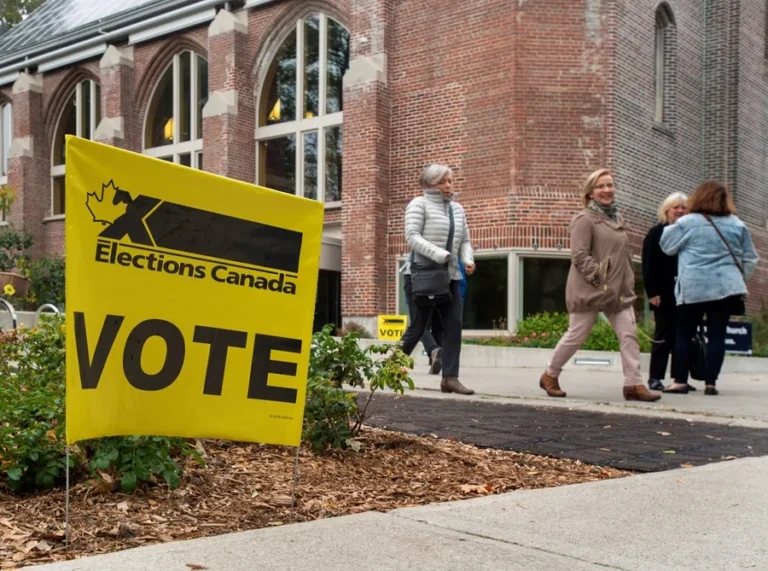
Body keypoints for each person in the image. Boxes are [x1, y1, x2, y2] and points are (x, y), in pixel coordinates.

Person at [539, 168, 661, 402]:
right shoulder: (584, 219)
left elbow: (620, 257)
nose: (607, 190)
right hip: (590, 288)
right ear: (590, 192)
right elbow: (579, 254)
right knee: (576, 336)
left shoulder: (616, 218)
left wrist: (626, 282)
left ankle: (634, 384)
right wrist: (599, 276)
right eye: (601, 186)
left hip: (617, 292)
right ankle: (549, 375)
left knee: (629, 335)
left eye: (610, 185)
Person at [660, 180, 759, 395]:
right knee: (717, 335)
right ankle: (711, 382)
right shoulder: (737, 224)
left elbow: (667, 247)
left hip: (694, 287)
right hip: (726, 288)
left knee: (684, 333)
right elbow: (751, 258)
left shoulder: (688, 222)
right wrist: (739, 277)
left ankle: (680, 381)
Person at [400, 164, 475, 395]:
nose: (449, 185)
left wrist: (467, 260)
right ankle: (390, 368)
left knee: (453, 326)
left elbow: (465, 240)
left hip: (450, 275)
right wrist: (439, 254)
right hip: (422, 275)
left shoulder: (457, 209)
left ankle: (450, 378)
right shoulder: (418, 204)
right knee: (418, 327)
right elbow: (412, 236)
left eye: (450, 180)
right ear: (429, 184)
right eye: (443, 182)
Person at [642, 192, 692, 391]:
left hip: (685, 293)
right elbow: (648, 265)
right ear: (667, 210)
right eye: (675, 207)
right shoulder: (656, 233)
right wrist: (652, 292)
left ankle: (680, 378)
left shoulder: (689, 233)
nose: (680, 211)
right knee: (663, 335)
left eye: (683, 208)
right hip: (663, 293)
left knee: (683, 336)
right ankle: (655, 377)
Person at [402, 260, 467, 375]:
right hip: (445, 288)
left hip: (424, 284)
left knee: (420, 325)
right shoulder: (455, 258)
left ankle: (433, 349)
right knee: (438, 328)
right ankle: (436, 360)